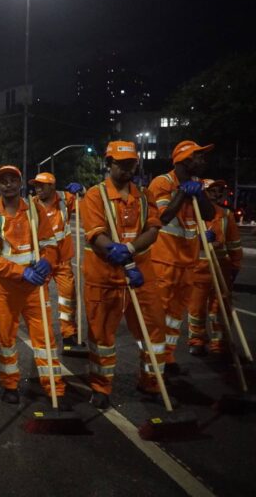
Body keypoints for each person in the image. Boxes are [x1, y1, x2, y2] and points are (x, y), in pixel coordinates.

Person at [81, 141, 173, 410]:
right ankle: (101, 387)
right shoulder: (95, 196)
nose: (126, 169)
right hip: (104, 278)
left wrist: (130, 250)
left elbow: (153, 229)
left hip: (141, 276)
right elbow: (96, 235)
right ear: (109, 164)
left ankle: (152, 383)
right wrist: (113, 250)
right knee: (101, 336)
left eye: (130, 164)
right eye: (120, 164)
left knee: (154, 330)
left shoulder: (144, 196)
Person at [0, 165, 70, 407]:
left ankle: (54, 387)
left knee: (45, 339)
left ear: (20, 184)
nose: (8, 184)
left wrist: (47, 262)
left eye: (12, 180)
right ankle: (10, 385)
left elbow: (51, 244)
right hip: (5, 289)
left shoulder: (35, 209)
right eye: (3, 181)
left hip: (34, 288)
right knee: (7, 339)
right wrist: (22, 273)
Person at [148, 140, 215, 374]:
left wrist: (198, 192)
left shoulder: (197, 183)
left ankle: (167, 357)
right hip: (164, 261)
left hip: (188, 262)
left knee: (175, 316)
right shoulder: (162, 183)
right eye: (199, 156)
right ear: (186, 160)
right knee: (159, 315)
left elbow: (209, 213)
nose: (203, 161)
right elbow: (164, 216)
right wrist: (182, 192)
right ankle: (152, 367)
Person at [29, 172, 84, 349]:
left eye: (41, 185)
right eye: (36, 185)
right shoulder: (31, 205)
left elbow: (88, 202)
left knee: (67, 299)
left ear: (52, 186)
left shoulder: (64, 199)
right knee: (41, 300)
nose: (37, 189)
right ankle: (43, 333)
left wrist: (82, 189)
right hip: (43, 260)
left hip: (62, 260)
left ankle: (69, 334)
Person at [187, 179, 242, 356]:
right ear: (203, 193)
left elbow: (234, 245)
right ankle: (197, 340)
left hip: (221, 270)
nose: (217, 194)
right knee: (197, 308)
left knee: (220, 309)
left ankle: (219, 342)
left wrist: (235, 267)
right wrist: (199, 237)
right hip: (199, 271)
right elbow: (184, 241)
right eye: (212, 190)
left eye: (219, 190)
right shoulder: (193, 213)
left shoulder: (226, 215)